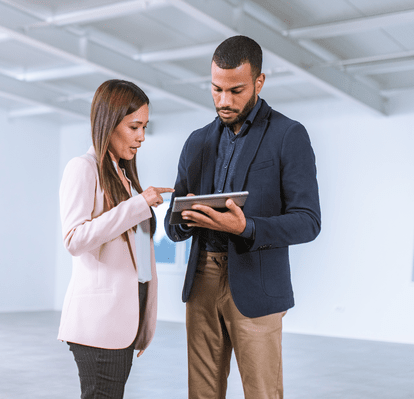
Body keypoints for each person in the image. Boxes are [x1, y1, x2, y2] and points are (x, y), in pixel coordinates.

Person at [163, 36, 321, 399]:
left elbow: (308, 221)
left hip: (256, 285)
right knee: (201, 394)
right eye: (216, 89)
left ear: (259, 83)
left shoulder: (288, 135)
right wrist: (188, 219)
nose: (224, 100)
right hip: (201, 280)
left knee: (262, 393)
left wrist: (246, 227)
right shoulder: (197, 141)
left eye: (236, 90)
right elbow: (174, 225)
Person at [58, 79, 173, 398]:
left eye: (145, 127)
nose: (142, 137)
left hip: (123, 320)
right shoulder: (82, 168)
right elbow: (75, 239)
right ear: (109, 123)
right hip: (98, 324)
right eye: (135, 126)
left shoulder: (122, 176)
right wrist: (138, 204)